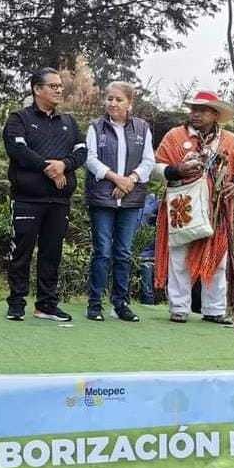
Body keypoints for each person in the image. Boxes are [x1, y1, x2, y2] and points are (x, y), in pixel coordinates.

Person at [154, 89, 234, 324]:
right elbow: (156, 166)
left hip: (216, 208)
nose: (195, 114)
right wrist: (175, 170)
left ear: (215, 114)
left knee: (218, 259)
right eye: (193, 110)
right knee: (179, 256)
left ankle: (215, 310)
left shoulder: (229, 140)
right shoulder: (175, 136)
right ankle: (179, 308)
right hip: (182, 205)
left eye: (202, 110)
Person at [3, 68, 87, 322]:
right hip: (28, 198)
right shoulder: (19, 118)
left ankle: (46, 305)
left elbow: (82, 151)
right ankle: (16, 303)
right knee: (21, 252)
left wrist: (64, 165)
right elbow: (18, 149)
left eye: (60, 86)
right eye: (53, 86)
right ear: (37, 89)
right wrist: (47, 167)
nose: (59, 89)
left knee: (52, 253)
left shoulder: (69, 122)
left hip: (59, 201)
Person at [83, 82, 155, 322]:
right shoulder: (95, 127)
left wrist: (130, 181)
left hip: (131, 199)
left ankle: (121, 303)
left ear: (129, 103)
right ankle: (95, 304)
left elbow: (148, 161)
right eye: (109, 98)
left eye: (118, 99)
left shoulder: (143, 128)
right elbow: (90, 160)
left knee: (123, 252)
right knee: (102, 251)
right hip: (102, 198)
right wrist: (116, 179)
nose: (112, 103)